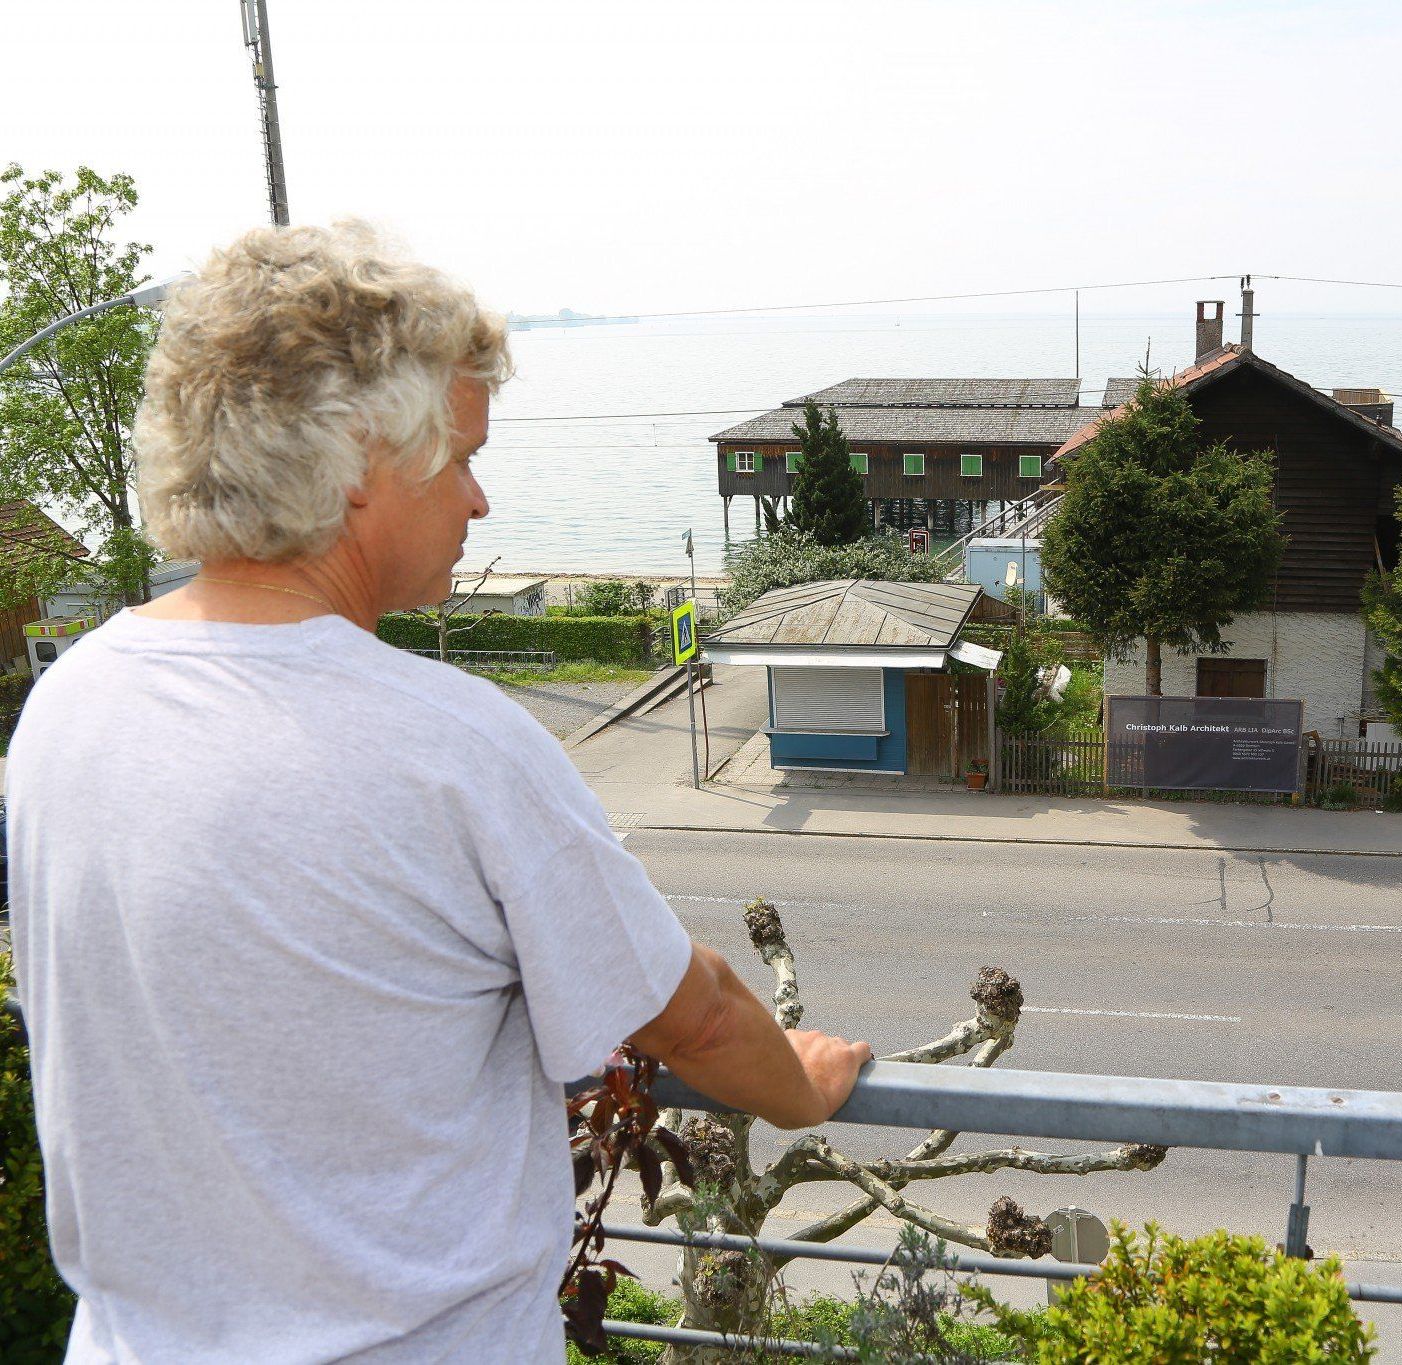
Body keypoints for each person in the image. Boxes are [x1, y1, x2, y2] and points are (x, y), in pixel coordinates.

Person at [6, 221, 870, 1364]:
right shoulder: (452, 743)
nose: (479, 502)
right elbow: (691, 1011)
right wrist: (800, 1088)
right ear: (359, 464)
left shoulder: (69, 704)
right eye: (460, 457)